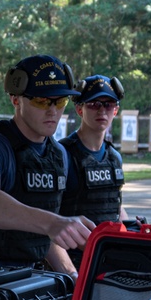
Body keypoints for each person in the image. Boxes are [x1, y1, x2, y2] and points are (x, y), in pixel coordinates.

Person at [0, 54, 95, 278]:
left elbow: (43, 236)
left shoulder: (58, 154)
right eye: (41, 101)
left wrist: (74, 279)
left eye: (60, 101)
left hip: (29, 280)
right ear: (16, 100)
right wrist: (53, 223)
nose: (52, 111)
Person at [59, 74, 130, 270]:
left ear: (115, 110)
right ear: (79, 109)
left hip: (107, 259)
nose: (102, 110)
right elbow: (48, 216)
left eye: (108, 104)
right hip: (71, 261)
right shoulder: (62, 154)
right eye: (94, 104)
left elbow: (115, 206)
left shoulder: (114, 156)